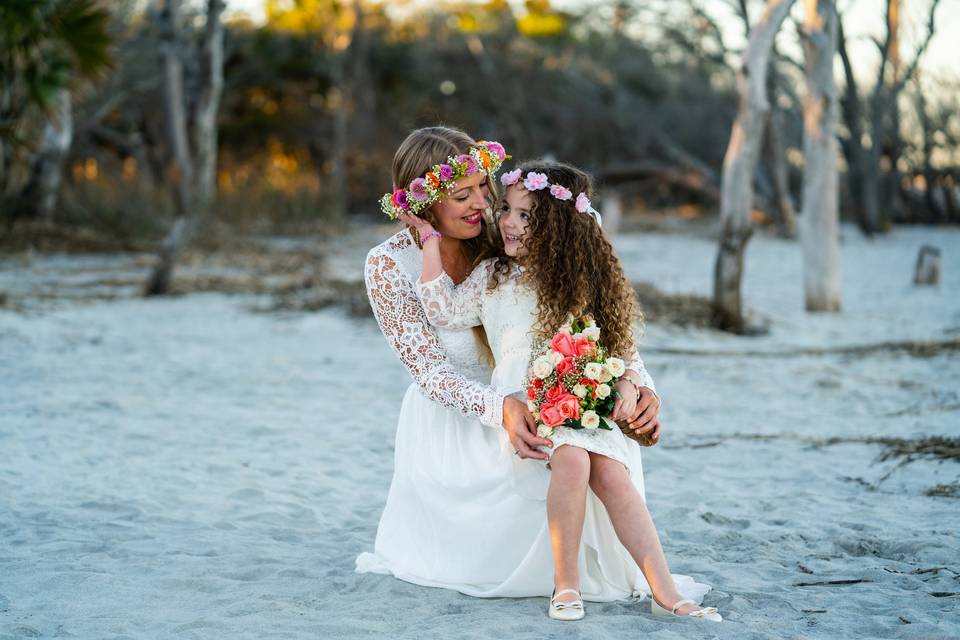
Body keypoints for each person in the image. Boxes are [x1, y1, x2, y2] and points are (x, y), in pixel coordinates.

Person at [410, 160, 720, 622]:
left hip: (581, 390)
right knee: (572, 460)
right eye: (508, 211)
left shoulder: (580, 280)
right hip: (526, 398)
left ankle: (666, 590)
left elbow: (617, 346)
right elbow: (443, 311)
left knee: (613, 474)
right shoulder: (493, 273)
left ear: (557, 228)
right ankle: (566, 584)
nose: (510, 223)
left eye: (526, 216)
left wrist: (628, 383)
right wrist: (430, 242)